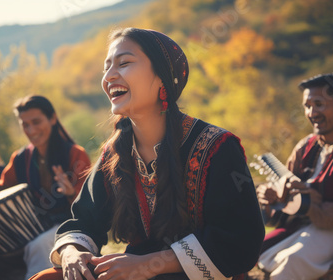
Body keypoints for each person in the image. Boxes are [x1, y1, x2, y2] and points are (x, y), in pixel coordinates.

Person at [31, 27, 264, 280]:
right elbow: (84, 219)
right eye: (106, 67)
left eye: (124, 63)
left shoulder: (217, 146)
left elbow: (241, 240)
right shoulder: (115, 153)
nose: (109, 76)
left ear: (162, 76)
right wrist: (71, 253)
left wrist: (148, 264)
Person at [0, 95, 92, 280]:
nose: (31, 129)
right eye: (25, 124)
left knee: (38, 244)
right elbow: (3, 185)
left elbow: (91, 205)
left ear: (52, 118)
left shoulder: (75, 154)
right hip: (28, 229)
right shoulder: (21, 158)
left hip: (65, 227)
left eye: (36, 122)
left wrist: (71, 193)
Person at [257, 73, 333, 280]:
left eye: (319, 104)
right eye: (307, 106)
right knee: (245, 251)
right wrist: (273, 199)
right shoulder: (305, 146)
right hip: (300, 229)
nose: (311, 112)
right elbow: (284, 206)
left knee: (292, 263)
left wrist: (318, 208)